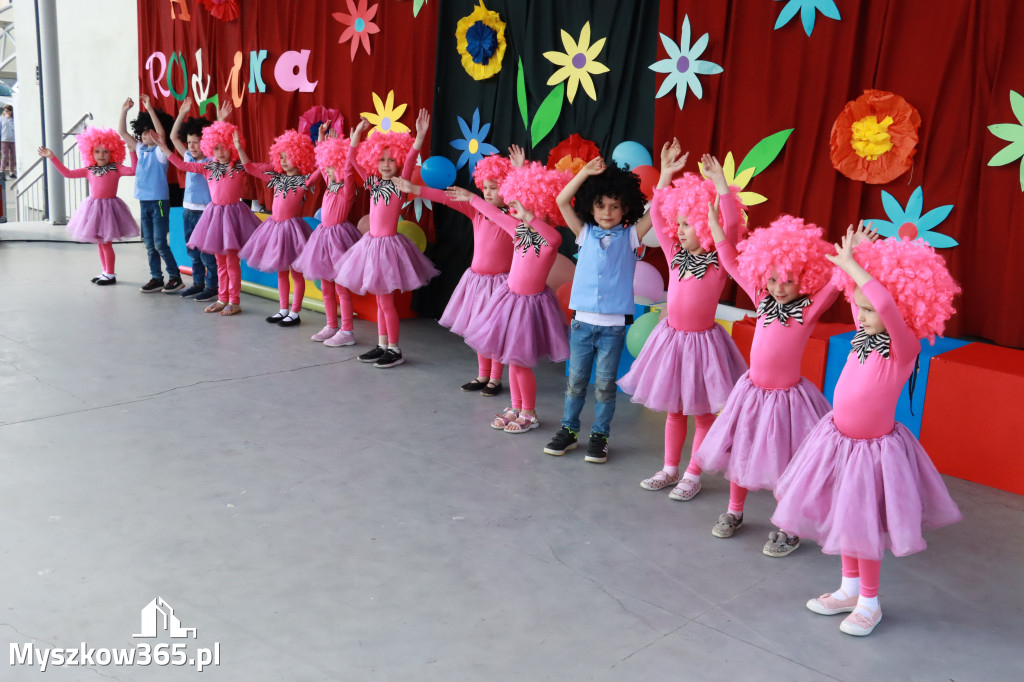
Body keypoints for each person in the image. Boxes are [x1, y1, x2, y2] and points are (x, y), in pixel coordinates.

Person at [772, 228, 962, 636]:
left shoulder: (902, 346)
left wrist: (856, 268)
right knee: (844, 517)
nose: (862, 313)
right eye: (859, 308)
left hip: (872, 450)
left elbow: (885, 305)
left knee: (864, 526)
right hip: (837, 441)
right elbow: (869, 304)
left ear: (904, 309)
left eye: (867, 309)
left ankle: (870, 603)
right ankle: (848, 590)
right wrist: (857, 257)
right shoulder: (865, 334)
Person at [694, 154, 846, 554]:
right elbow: (730, 257)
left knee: (785, 461)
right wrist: (722, 197)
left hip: (787, 400)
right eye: (774, 278)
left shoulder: (809, 310)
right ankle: (734, 509)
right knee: (741, 450)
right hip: (752, 391)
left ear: (805, 278)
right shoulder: (762, 299)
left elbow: (837, 283)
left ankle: (788, 524)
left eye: (790, 280)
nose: (780, 287)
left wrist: (852, 259)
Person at [618, 141, 747, 499]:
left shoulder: (720, 261)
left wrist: (722, 187)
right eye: (680, 224)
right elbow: (657, 217)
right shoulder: (675, 256)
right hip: (671, 340)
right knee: (674, 410)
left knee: (703, 414)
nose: (680, 230)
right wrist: (666, 176)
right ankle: (670, 468)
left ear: (706, 227)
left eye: (688, 224)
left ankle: (694, 472)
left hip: (703, 344)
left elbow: (732, 227)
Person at [543, 156, 652, 463]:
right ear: (590, 206)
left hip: (613, 328)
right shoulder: (584, 234)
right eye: (601, 204)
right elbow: (562, 200)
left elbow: (655, 212)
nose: (607, 212)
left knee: (604, 386)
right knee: (575, 382)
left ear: (626, 208)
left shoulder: (631, 236)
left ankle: (600, 435)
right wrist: (584, 173)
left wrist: (667, 173)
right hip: (581, 325)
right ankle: (569, 431)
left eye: (615, 206)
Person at [453, 161, 571, 432]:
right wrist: (472, 198)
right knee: (510, 360)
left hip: (529, 306)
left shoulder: (548, 240)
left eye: (529, 206)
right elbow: (495, 215)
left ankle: (529, 412)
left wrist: (529, 217)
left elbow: (553, 238)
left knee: (520, 363)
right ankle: (516, 407)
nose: (520, 211)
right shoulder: (518, 232)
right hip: (510, 300)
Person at [393, 147, 520, 392]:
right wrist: (416, 190)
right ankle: (483, 375)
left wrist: (521, 170)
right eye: (485, 187)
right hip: (477, 281)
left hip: (501, 283)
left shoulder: (514, 215)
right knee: (478, 328)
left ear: (507, 187)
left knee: (495, 331)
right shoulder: (477, 210)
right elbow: (445, 199)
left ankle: (496, 378)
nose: (488, 192)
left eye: (494, 187)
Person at [334, 111, 439, 368]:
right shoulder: (372, 182)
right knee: (380, 300)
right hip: (371, 244)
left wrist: (421, 136)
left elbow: (412, 157)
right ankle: (382, 344)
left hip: (389, 247)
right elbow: (352, 162)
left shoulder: (400, 184)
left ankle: (394, 348)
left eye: (391, 160)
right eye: (381, 159)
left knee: (388, 302)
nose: (386, 164)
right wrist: (356, 137)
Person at [160, 119, 261, 316]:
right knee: (220, 262)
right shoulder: (207, 167)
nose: (220, 152)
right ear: (210, 149)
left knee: (232, 262)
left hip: (233, 217)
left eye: (224, 147)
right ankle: (222, 298)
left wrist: (240, 149)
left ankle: (235, 301)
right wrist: (164, 148)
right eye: (216, 148)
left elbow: (254, 167)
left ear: (231, 147)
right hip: (214, 217)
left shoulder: (240, 168)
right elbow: (182, 164)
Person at [236, 129, 318, 326]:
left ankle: (295, 312)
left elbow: (321, 169)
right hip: (274, 227)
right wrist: (239, 148)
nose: (282, 161)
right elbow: (249, 168)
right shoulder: (277, 179)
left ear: (299, 157)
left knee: (296, 273)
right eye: (280, 157)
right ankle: (283, 309)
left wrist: (322, 143)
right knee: (281, 272)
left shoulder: (303, 181)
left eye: (287, 157)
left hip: (293, 231)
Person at [38, 128, 137, 284]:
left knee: (106, 243)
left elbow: (133, 170)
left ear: (113, 152)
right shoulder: (89, 170)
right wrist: (52, 157)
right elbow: (67, 173)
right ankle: (105, 271)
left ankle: (110, 274)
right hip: (94, 209)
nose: (101, 155)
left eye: (105, 151)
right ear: (90, 152)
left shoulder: (116, 168)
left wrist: (132, 151)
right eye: (97, 151)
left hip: (110, 210)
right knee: (100, 242)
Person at [293, 123, 361, 347]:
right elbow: (322, 164)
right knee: (325, 285)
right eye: (329, 168)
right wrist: (321, 141)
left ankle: (347, 331)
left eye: (334, 167)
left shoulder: (346, 188)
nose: (329, 171)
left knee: (340, 286)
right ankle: (331, 325)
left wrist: (351, 144)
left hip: (339, 238)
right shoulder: (331, 184)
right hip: (322, 237)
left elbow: (350, 169)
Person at [118, 96, 183, 293]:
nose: (146, 136)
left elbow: (162, 134)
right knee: (149, 244)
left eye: (150, 132)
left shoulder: (160, 152)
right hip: (144, 202)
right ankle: (156, 278)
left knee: (160, 242)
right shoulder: (139, 149)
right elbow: (121, 131)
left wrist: (150, 109)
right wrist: (124, 111)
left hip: (160, 202)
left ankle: (175, 277)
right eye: (144, 133)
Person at [164, 96, 223, 301]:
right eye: (189, 142)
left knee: (207, 252)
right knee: (192, 250)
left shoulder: (211, 160)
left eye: (196, 143)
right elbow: (173, 137)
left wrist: (221, 121)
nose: (191, 147)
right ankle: (198, 283)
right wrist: (181, 114)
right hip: (188, 209)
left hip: (205, 211)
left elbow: (218, 142)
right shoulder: (188, 156)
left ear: (206, 143)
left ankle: (212, 285)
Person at [1, 104, 16, 178]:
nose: (6, 112)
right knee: (4, 156)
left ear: (11, 111)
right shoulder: (1, 118)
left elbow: (15, 128)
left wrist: (10, 120)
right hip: (4, 139)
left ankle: (11, 172)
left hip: (13, 140)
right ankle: (2, 171)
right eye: (5, 110)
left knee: (12, 157)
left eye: (8, 110)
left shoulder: (13, 119)